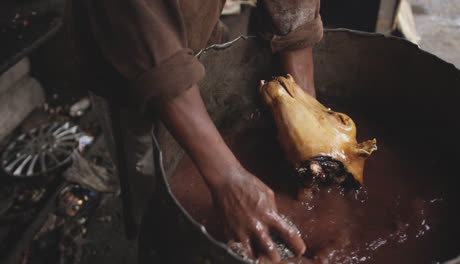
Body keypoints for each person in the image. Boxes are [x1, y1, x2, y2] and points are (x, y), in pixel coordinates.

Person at [65, 0, 323, 262]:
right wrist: (227, 178)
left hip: (195, 26)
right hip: (129, 56)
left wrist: (306, 115)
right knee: (154, 192)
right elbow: (137, 26)